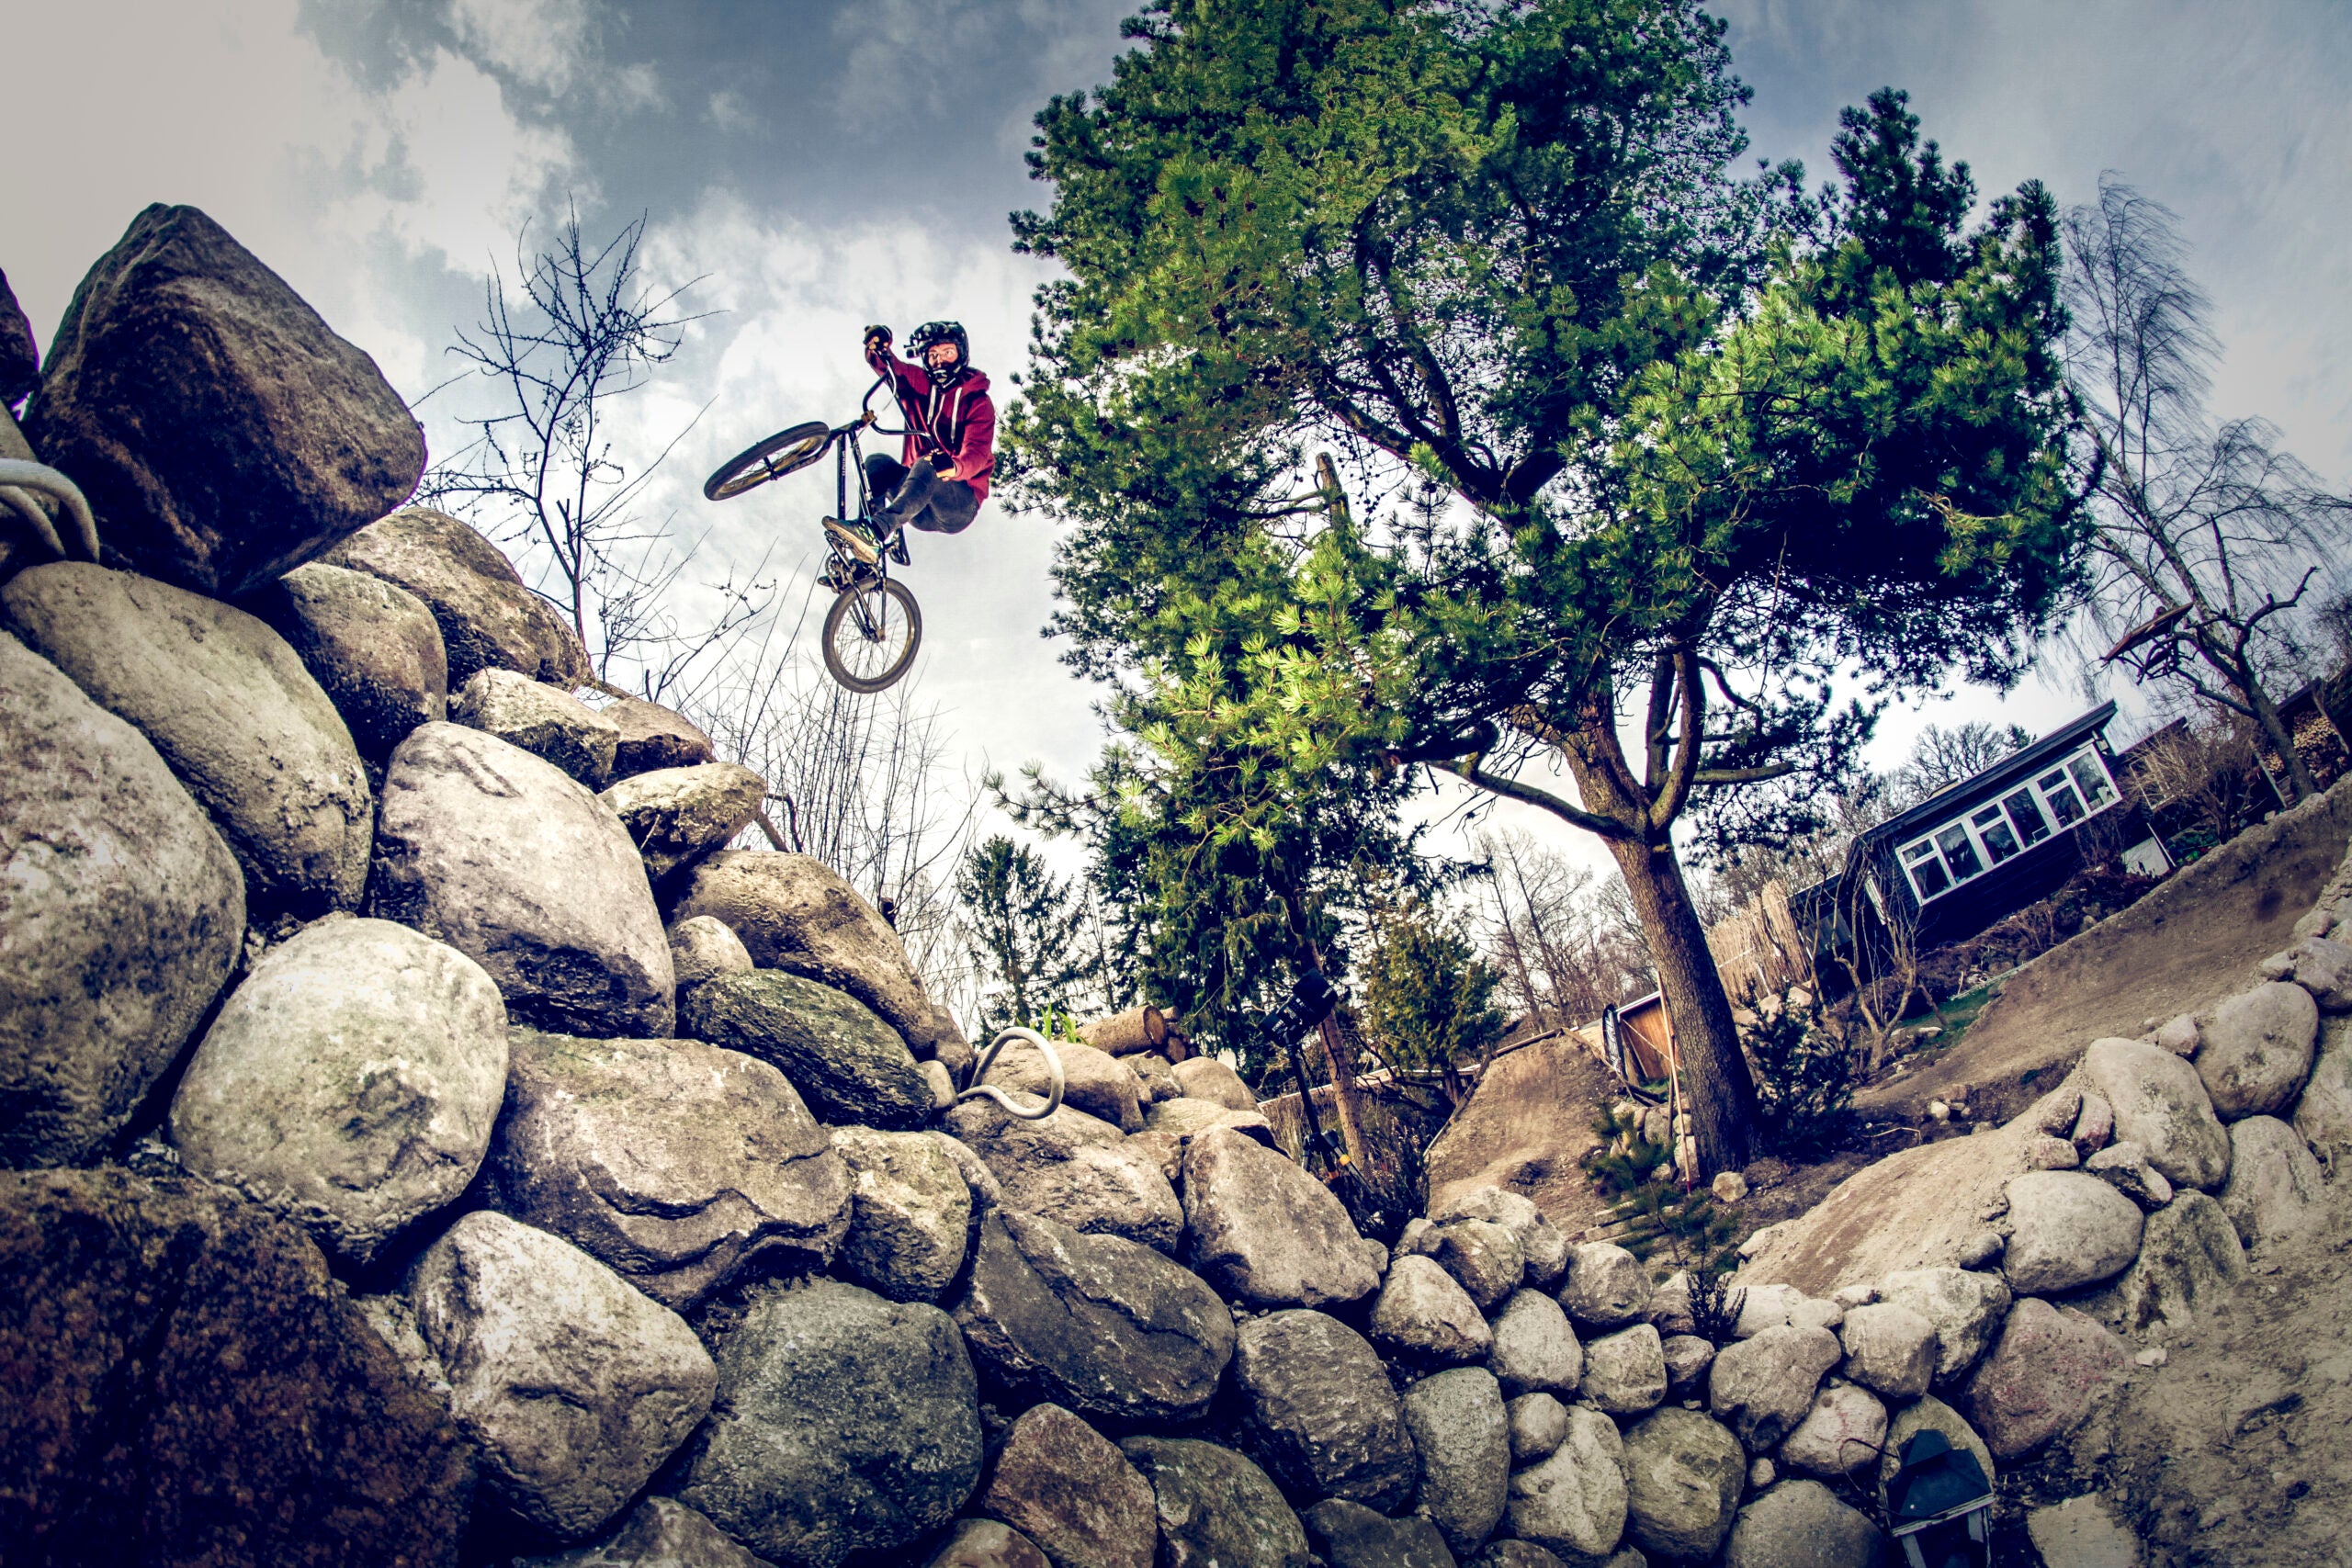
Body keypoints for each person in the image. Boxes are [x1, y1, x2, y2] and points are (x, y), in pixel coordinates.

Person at [827, 321, 995, 562]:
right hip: (916, 503)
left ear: (961, 353)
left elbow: (977, 453)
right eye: (933, 355)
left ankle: (877, 530)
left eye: (947, 352)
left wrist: (954, 467)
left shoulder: (977, 401)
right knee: (877, 464)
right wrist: (878, 346)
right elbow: (890, 368)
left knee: (931, 462)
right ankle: (865, 552)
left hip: (957, 504)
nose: (940, 361)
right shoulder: (919, 384)